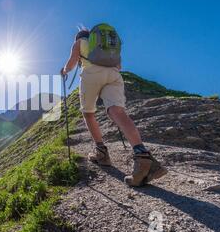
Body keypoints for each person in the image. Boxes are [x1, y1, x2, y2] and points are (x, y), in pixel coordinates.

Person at [61, 26, 167, 187]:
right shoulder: (106, 45)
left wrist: (64, 71)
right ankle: (143, 155)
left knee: (88, 113)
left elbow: (71, 64)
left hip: (91, 75)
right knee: (117, 111)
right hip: (114, 75)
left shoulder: (79, 42)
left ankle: (101, 152)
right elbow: (119, 66)